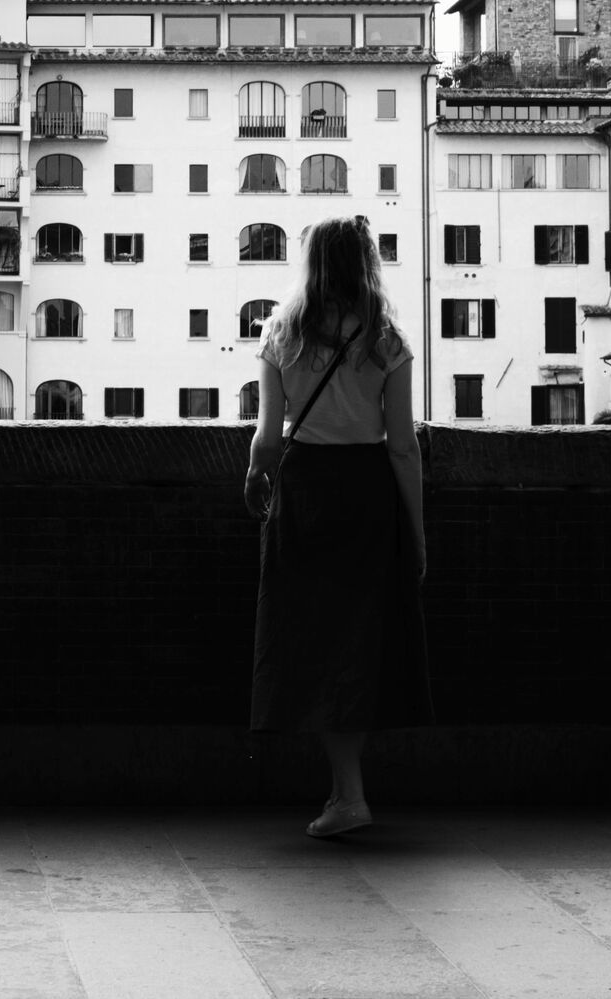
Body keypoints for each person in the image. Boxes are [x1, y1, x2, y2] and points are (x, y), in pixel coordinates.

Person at [245, 214, 431, 837]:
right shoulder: (387, 340)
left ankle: (347, 795)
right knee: (357, 641)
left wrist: (254, 476)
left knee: (315, 640)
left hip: (306, 494)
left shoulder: (282, 333)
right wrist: (416, 533)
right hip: (367, 495)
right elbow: (402, 446)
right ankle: (346, 792)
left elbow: (269, 437)